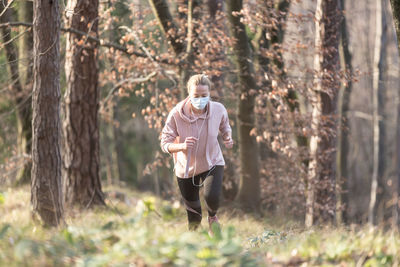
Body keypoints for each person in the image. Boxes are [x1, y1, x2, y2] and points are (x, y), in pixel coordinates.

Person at [160, 74, 234, 234]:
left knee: (212, 198)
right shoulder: (176, 114)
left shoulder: (218, 109)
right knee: (194, 218)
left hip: (212, 161)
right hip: (186, 169)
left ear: (209, 94)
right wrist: (181, 146)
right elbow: (164, 143)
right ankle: (196, 248)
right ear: (189, 94)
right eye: (196, 96)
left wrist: (227, 137)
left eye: (204, 95)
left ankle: (213, 219)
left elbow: (225, 126)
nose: (200, 99)